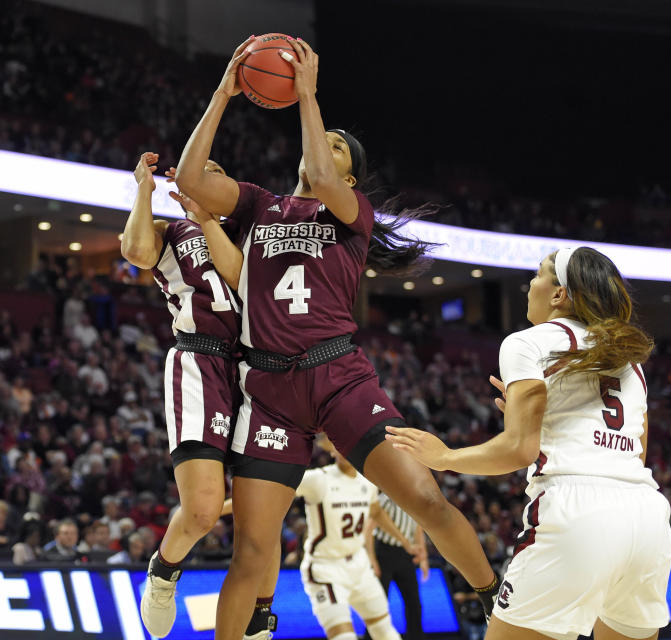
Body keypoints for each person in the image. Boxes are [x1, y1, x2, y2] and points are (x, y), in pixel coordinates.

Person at [173, 36, 498, 639]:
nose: (327, 149)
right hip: (268, 388)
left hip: (338, 376)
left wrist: (306, 95)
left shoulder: (349, 216)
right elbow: (192, 178)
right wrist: (225, 90)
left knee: (424, 498)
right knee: (251, 550)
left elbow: (320, 173)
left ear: (350, 173)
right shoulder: (259, 206)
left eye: (340, 148)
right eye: (327, 139)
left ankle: (492, 596)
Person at [386, 247, 671, 640]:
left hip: (577, 513)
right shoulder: (631, 362)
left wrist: (445, 456)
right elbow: (633, 454)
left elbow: (518, 450)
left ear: (559, 294)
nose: (530, 285)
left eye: (538, 274)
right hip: (647, 517)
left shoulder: (528, 342)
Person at [121, 151, 279, 639]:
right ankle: (164, 572)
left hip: (256, 371)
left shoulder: (250, 236)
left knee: (264, 517)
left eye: (218, 174)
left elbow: (242, 282)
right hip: (200, 359)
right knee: (205, 509)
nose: (208, 179)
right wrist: (144, 193)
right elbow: (136, 252)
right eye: (201, 173)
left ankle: (258, 616)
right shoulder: (173, 232)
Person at [296, 437, 413, 640]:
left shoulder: (367, 481)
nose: (345, 449)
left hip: (359, 565)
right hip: (326, 568)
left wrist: (404, 541)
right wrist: (224, 508)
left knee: (385, 631)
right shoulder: (317, 479)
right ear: (332, 450)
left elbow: (376, 511)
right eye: (340, 444)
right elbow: (272, 491)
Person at [369, 494, 428, 640]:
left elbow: (418, 528)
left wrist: (423, 557)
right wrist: (372, 560)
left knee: (414, 604)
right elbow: (368, 530)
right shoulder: (385, 499)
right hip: (383, 553)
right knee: (378, 605)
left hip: (406, 555)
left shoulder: (415, 499)